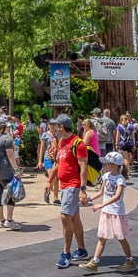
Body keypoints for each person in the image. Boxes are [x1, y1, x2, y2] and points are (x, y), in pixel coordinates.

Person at [78, 151, 137, 273]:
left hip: (116, 213)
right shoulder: (106, 176)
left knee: (121, 238)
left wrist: (100, 205)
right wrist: (89, 199)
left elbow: (117, 196)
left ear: (115, 166)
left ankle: (130, 260)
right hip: (106, 212)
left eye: (107, 163)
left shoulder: (120, 179)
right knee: (102, 237)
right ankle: (94, 262)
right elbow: (101, 192)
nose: (104, 165)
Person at [46, 114, 90, 268]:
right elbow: (58, 164)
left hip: (73, 185)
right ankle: (82, 250)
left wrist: (83, 189)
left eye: (55, 126)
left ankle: (66, 253)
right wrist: (49, 181)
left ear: (61, 127)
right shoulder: (61, 142)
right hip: (64, 185)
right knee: (74, 218)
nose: (54, 128)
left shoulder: (78, 143)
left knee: (65, 216)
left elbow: (83, 167)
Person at [0, 117, 22, 230]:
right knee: (10, 195)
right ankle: (9, 220)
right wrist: (17, 170)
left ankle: (1, 220)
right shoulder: (7, 139)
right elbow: (10, 155)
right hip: (6, 171)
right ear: (6, 126)